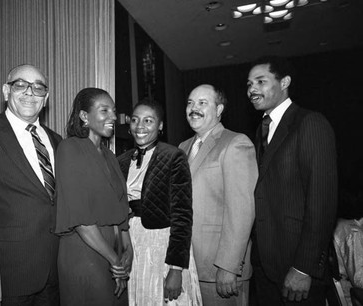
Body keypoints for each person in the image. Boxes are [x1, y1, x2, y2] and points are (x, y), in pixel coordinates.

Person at [0, 64, 61, 305]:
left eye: (38, 88)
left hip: (56, 270)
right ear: (6, 91)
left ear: (45, 99)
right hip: (8, 272)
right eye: (21, 85)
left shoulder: (58, 141)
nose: (30, 93)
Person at [247, 55, 338, 305]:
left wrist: (304, 268)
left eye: (260, 81)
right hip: (266, 267)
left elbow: (322, 201)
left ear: (285, 81)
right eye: (248, 84)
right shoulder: (261, 130)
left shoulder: (310, 123)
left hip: (297, 269)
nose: (252, 89)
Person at [117, 99, 203, 305]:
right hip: (132, 242)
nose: (140, 127)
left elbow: (182, 215)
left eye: (148, 121)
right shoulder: (120, 161)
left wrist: (176, 269)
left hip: (162, 245)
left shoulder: (174, 156)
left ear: (160, 126)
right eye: (135, 120)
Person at [179, 84, 257, 306]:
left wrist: (229, 266)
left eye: (203, 103)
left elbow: (242, 212)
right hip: (187, 265)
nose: (194, 108)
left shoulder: (236, 143)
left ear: (219, 109)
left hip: (219, 272)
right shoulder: (183, 147)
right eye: (190, 103)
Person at [54, 87, 132, 306]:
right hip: (86, 251)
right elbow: (81, 220)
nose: (114, 117)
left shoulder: (110, 155)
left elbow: (121, 209)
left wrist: (128, 250)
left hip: (114, 250)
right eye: (104, 110)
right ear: (84, 116)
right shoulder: (69, 149)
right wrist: (115, 260)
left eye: (114, 111)